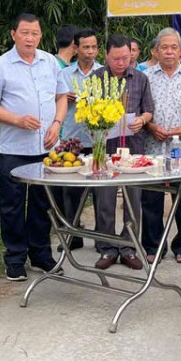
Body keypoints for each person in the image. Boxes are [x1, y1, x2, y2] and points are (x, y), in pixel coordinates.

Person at [0, 13, 67, 282]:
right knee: (12, 205)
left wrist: (57, 123)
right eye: (25, 33)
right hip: (14, 148)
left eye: (35, 33)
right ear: (13, 34)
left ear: (41, 36)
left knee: (43, 203)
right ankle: (15, 258)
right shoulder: (1, 65)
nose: (30, 38)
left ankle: (40, 254)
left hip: (47, 146)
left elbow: (62, 96)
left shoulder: (49, 61)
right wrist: (17, 120)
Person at [142, 28, 181, 262]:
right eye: (164, 47)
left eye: (174, 47)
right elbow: (139, 111)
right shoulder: (146, 77)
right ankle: (153, 247)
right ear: (156, 51)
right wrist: (151, 127)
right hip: (152, 146)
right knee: (151, 198)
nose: (169, 52)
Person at [92, 35, 154, 270]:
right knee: (105, 200)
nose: (121, 63)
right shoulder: (96, 78)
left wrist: (141, 120)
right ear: (106, 56)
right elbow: (88, 109)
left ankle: (129, 248)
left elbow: (148, 110)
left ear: (132, 55)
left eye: (125, 58)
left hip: (133, 146)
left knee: (133, 200)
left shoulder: (140, 78)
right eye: (116, 58)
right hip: (105, 146)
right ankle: (107, 248)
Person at [57, 28, 102, 249]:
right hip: (72, 139)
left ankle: (102, 238)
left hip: (98, 141)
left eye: (94, 47)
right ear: (76, 48)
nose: (90, 51)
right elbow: (53, 99)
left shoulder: (104, 73)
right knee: (71, 192)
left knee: (100, 192)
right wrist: (62, 97)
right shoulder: (64, 74)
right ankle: (73, 236)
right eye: (86, 47)